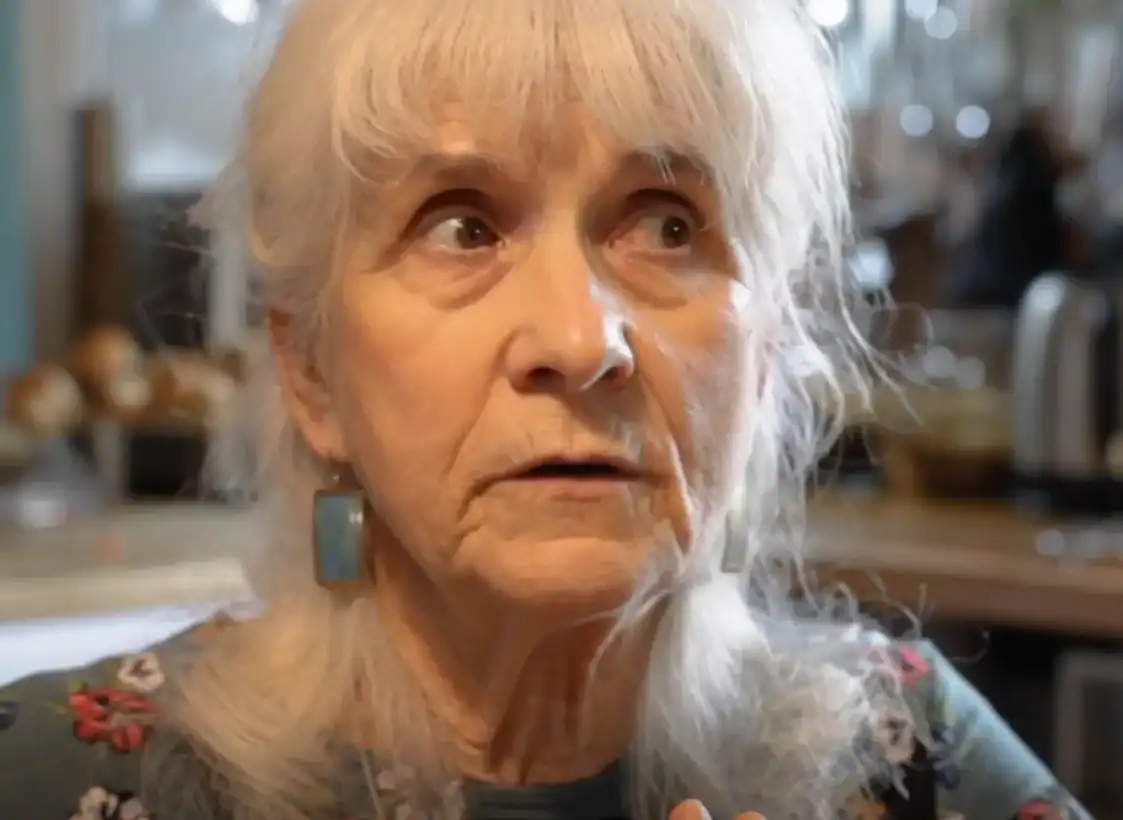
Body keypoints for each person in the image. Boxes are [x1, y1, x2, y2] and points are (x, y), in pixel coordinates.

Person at [0, 1, 1091, 818]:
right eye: (462, 226)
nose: (579, 342)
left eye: (665, 224)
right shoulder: (57, 778)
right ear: (312, 374)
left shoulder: (907, 754)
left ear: (763, 361)